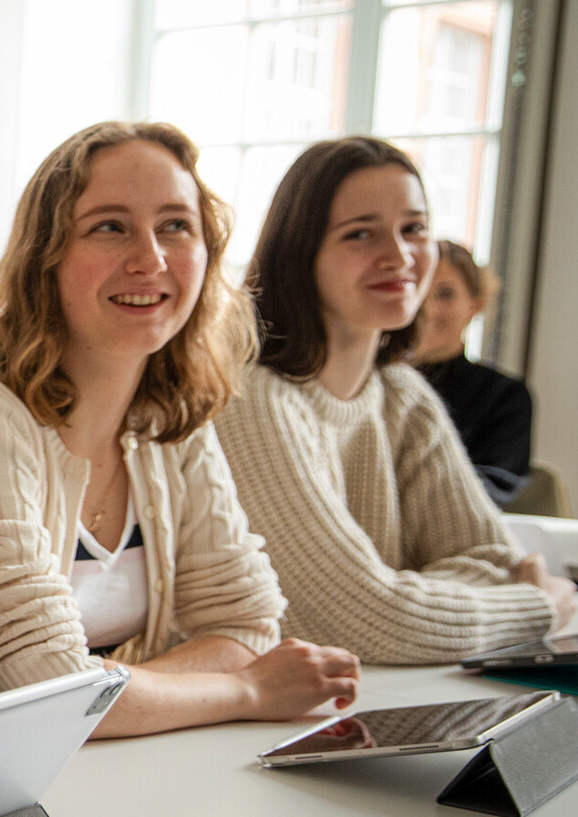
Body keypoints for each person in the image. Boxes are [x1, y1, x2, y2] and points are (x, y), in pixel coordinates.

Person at [0, 121, 360, 735]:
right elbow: (51, 693)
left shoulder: (169, 424)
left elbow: (245, 625)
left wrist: (113, 698)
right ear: (45, 258)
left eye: (176, 226)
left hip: (107, 766)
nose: (150, 259)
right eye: (110, 227)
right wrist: (243, 690)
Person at [216, 137, 575, 664]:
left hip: (381, 695)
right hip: (253, 723)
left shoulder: (404, 396)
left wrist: (402, 594)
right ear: (300, 252)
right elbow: (363, 621)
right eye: (360, 234)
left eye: (415, 229)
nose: (400, 256)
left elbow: (494, 561)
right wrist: (537, 606)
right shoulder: (256, 398)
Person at [412, 239, 533, 505]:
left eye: (445, 294)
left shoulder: (505, 397)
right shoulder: (370, 386)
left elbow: (493, 488)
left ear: (474, 305)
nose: (428, 309)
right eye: (417, 292)